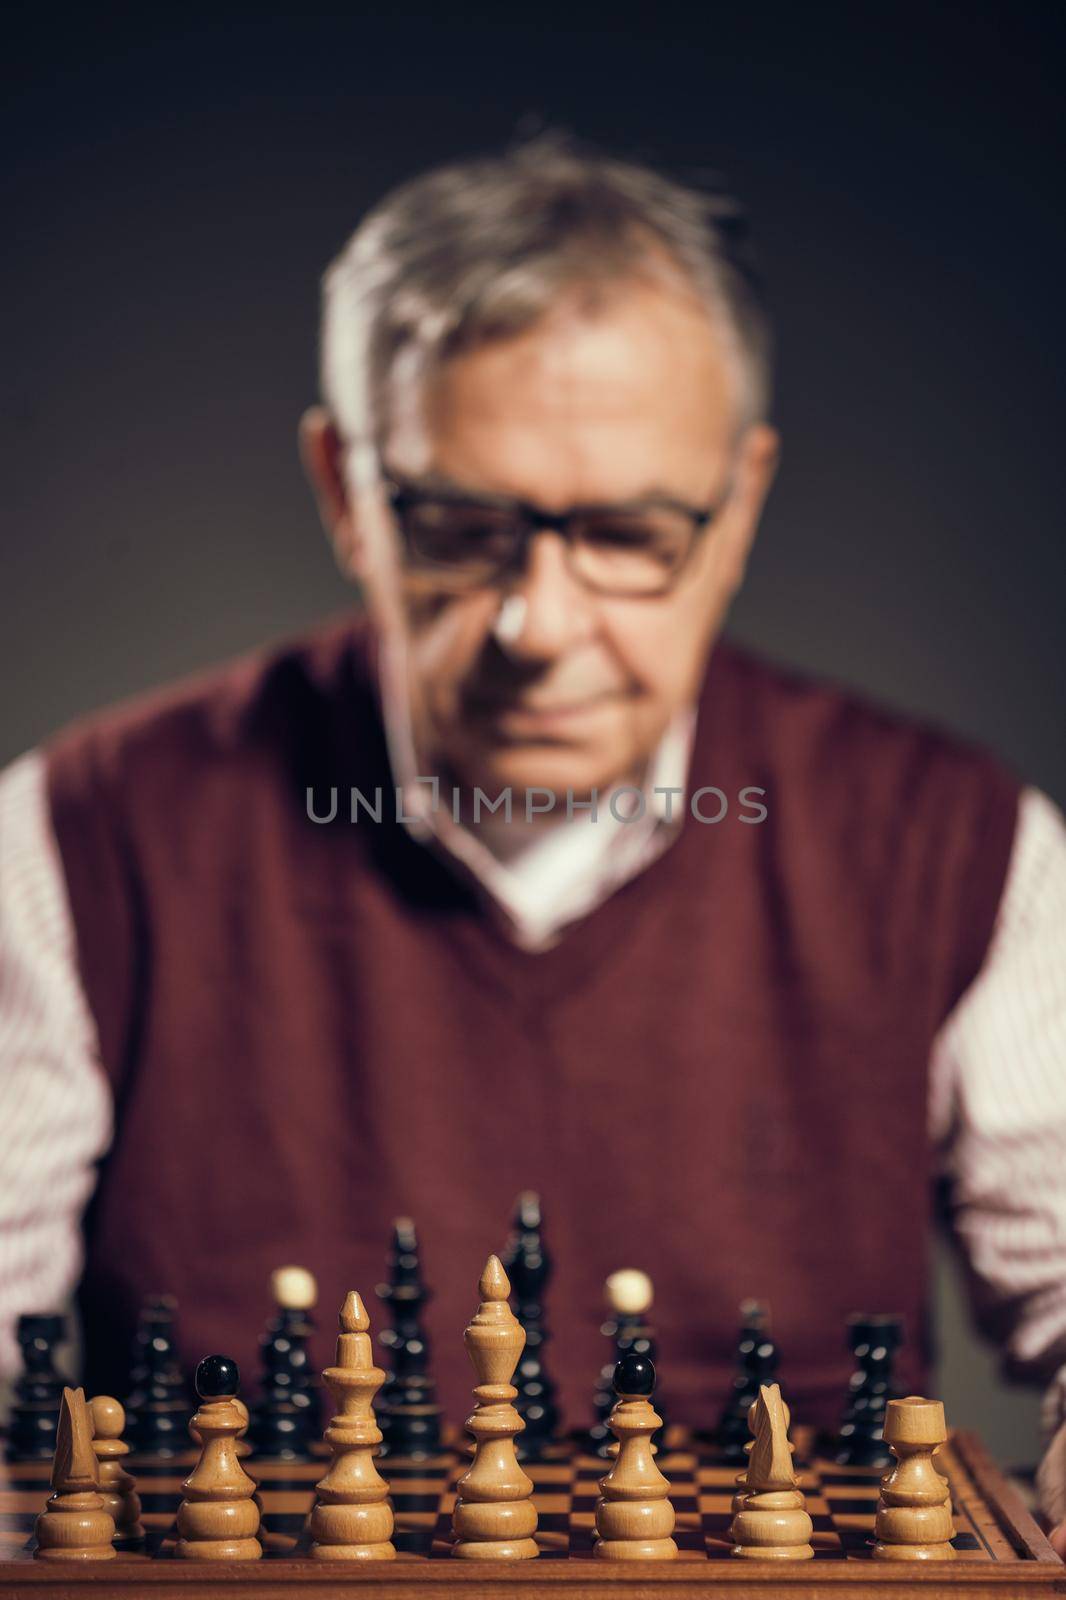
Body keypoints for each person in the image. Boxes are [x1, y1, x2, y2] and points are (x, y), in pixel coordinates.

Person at [1, 133, 1064, 1539]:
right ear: (341, 488)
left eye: (628, 532)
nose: (537, 626)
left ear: (738, 506)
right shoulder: (76, 838)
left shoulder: (958, 846)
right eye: (455, 525)